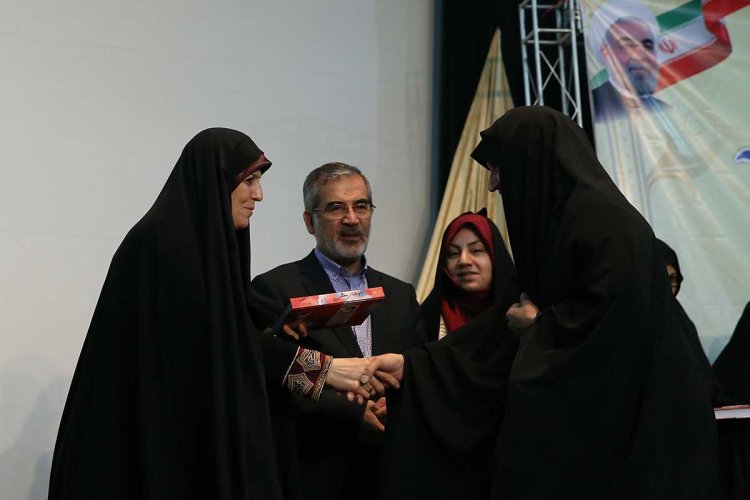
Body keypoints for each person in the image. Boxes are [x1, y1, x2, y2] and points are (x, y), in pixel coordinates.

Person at [371, 106, 720, 499]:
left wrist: (541, 326)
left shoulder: (609, 228)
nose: (493, 184)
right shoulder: (555, 230)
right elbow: (496, 330)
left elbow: (614, 338)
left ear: (531, 160)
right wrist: (413, 366)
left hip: (638, 453)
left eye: (498, 167)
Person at [48, 129, 388, 500]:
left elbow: (228, 319)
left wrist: (276, 319)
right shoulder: (162, 245)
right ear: (217, 181)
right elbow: (213, 339)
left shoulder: (201, 244)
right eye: (249, 180)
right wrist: (322, 371)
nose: (258, 195)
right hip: (146, 443)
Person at [249, 162, 426, 500]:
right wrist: (352, 413)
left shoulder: (400, 294)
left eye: (361, 206)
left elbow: (420, 365)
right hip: (317, 471)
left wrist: (396, 404)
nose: (352, 219)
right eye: (335, 208)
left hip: (391, 471)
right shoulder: (275, 288)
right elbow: (272, 379)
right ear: (309, 222)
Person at [419, 209, 517, 342]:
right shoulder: (426, 320)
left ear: (496, 256)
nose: (464, 261)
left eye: (476, 250)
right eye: (453, 253)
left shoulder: (521, 315)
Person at [656, 238, 723, 405]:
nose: (669, 288)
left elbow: (704, 378)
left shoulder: (678, 317)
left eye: (673, 279)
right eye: (663, 279)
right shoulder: (635, 318)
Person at [588, 0, 667, 122]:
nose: (641, 56)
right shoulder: (590, 107)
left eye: (648, 46)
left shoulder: (664, 110)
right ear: (606, 52)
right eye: (628, 46)